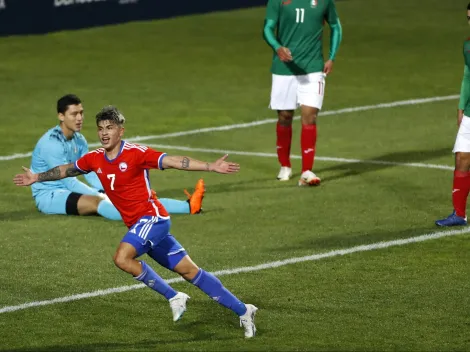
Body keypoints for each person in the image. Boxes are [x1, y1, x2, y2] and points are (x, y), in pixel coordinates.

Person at [14, 106, 258, 338]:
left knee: (122, 258)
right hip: (140, 226)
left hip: (153, 219)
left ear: (121, 130)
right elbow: (68, 169)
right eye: (100, 128)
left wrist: (210, 166)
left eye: (109, 128)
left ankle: (174, 296)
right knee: (190, 271)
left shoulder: (136, 154)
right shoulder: (95, 158)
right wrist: (37, 177)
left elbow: (174, 161)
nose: (104, 133)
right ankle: (244, 310)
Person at [30, 94, 204, 222]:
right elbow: (68, 179)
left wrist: (110, 189)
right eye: (74, 114)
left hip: (68, 189)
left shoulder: (79, 139)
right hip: (49, 195)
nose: (79, 118)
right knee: (97, 202)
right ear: (61, 116)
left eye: (81, 113)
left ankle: (189, 206)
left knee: (135, 197)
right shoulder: (51, 144)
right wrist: (103, 194)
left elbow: (91, 172)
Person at [263, 0, 342, 185]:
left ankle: (307, 171)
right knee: (284, 117)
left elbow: (335, 25)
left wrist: (331, 57)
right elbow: (267, 28)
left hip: (313, 68)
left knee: (310, 116)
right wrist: (277, 47)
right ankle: (285, 165)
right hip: (284, 69)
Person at [435, 3, 470, 227]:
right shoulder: (468, 46)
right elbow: (468, 75)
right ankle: (459, 214)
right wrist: (461, 106)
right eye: (469, 18)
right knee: (461, 158)